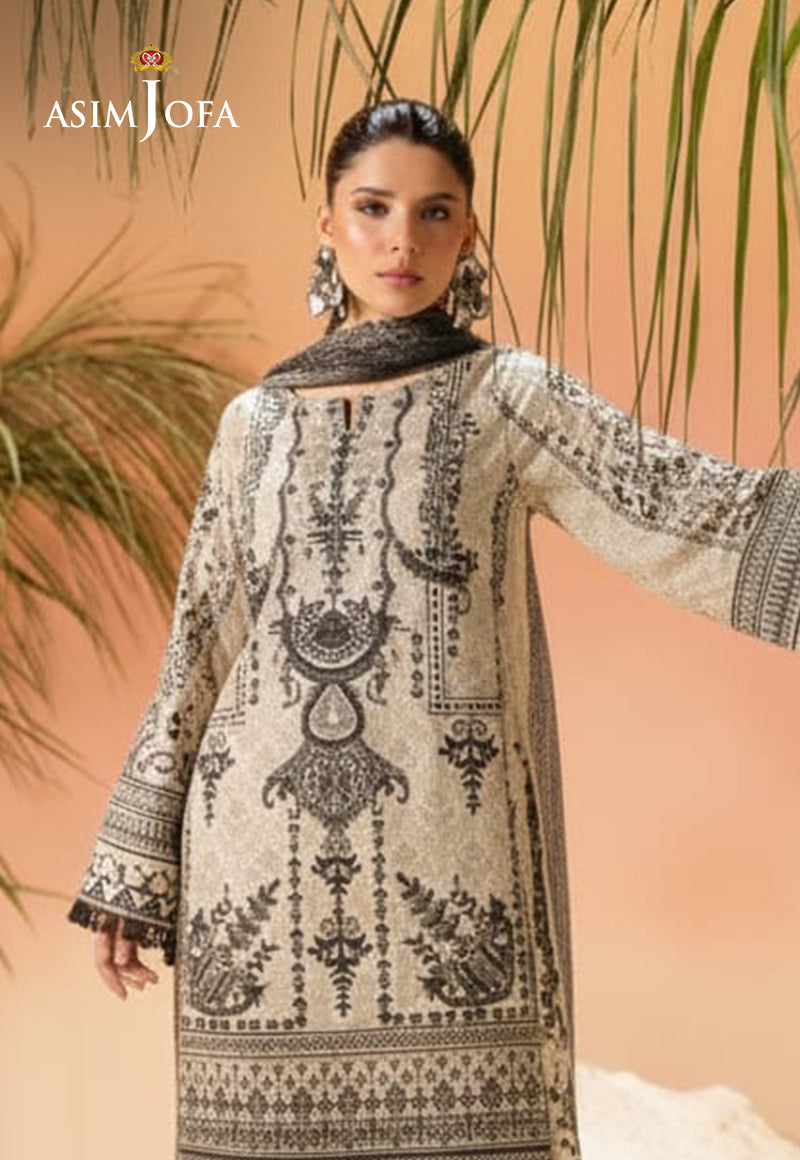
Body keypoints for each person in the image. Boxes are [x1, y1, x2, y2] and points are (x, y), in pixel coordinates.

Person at [68, 98, 800, 1160]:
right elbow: (200, 642)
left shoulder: (507, 397)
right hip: (252, 880)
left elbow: (677, 507)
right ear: (327, 224)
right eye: (372, 209)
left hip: (454, 872)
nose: (400, 241)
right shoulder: (251, 425)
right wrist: (135, 862)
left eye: (434, 212)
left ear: (468, 234)